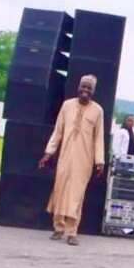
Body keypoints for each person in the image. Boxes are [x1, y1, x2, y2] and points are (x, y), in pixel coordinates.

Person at [37, 75, 106, 246]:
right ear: (78, 87)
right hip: (65, 155)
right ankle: (58, 228)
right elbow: (58, 131)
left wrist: (99, 161)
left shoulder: (97, 110)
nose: (85, 90)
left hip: (84, 159)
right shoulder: (67, 106)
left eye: (89, 88)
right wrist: (48, 152)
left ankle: (72, 232)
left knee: (76, 194)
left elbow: (99, 138)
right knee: (60, 190)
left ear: (93, 91)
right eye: (83, 86)